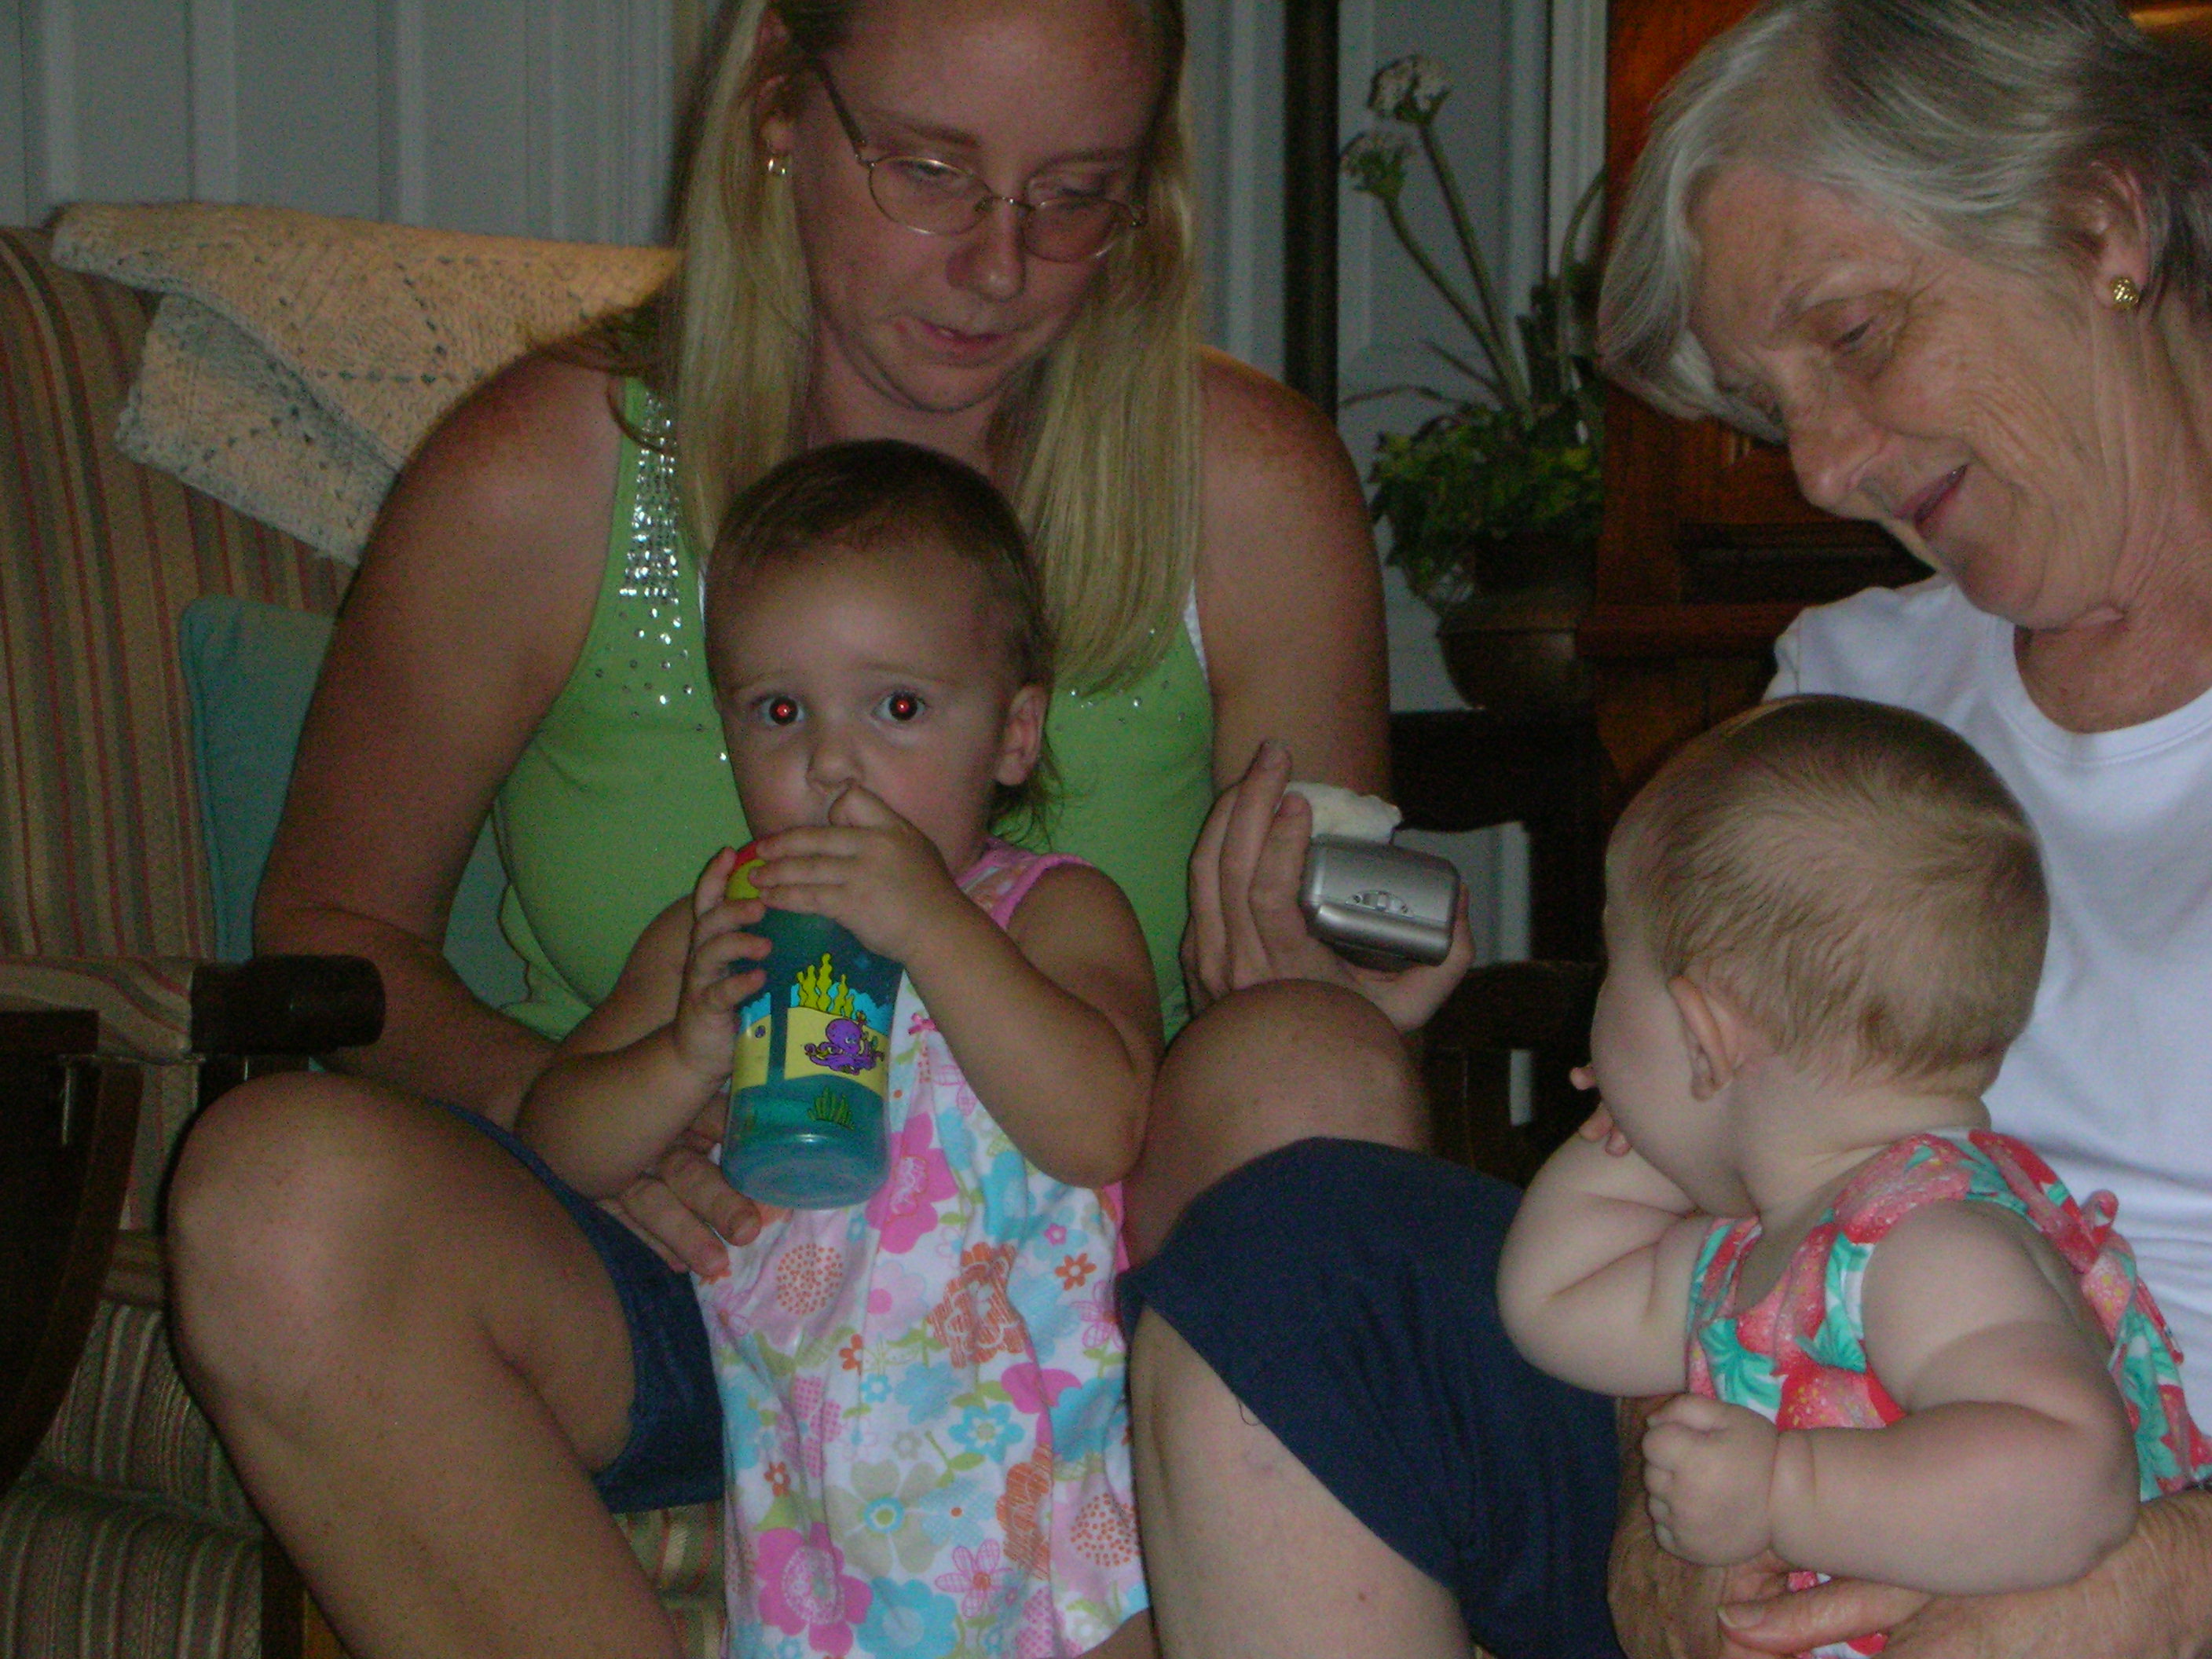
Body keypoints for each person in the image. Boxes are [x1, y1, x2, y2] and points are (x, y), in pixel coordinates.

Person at [162, 0, 1388, 1653]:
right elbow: (332, 926)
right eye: (930, 170)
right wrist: (590, 1113)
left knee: (1317, 1067)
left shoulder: (1244, 487)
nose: (999, 265)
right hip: (691, 1258)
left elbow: (1311, 978)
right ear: (778, 110)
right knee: (274, 1203)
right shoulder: (546, 474)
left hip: (1081, 1270)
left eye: (1074, 193)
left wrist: (1335, 977)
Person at [1129, 2, 2212, 1656]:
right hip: (1774, 1437)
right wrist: (1687, 1541)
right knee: (1301, 1262)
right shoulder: (1851, 688)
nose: (1823, 469)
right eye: (1775, 408)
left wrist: (2148, 1586)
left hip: (2131, 1494)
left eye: (1853, 336)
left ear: (2100, 221)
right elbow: (1685, 1201)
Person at [517, 440, 1159, 1656]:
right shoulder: (721, 925)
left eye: (898, 708)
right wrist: (686, 1053)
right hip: (815, 1506)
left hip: (1050, 1482)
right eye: (780, 712)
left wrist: (930, 924)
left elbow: (1100, 1126)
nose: (830, 761)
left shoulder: (1049, 912)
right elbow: (562, 1138)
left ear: (1014, 734)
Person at [1497, 696, 2208, 1659]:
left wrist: (1784, 1490)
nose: (1595, 1006)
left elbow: (2072, 1479)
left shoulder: (1929, 1242)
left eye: (1612, 964)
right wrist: (1638, 1132)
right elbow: (1552, 1305)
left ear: (1704, 1036)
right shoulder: (1765, 1242)